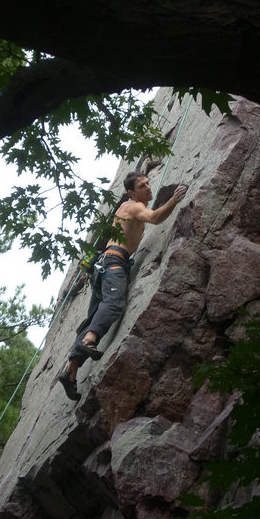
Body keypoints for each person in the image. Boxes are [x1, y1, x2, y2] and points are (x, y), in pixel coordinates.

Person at [58, 171, 187, 400]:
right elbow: (156, 218)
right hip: (114, 264)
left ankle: (71, 370)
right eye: (142, 186)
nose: (148, 188)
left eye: (148, 183)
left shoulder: (123, 209)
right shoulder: (134, 206)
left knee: (94, 317)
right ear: (131, 192)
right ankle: (89, 341)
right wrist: (173, 200)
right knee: (114, 304)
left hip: (103, 267)